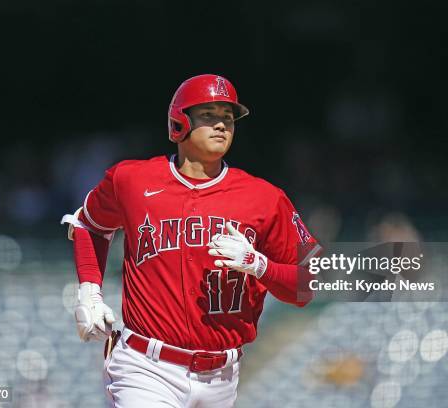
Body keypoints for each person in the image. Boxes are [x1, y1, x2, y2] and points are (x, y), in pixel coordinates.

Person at [61, 74, 321, 407]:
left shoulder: (265, 198)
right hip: (146, 366)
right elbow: (89, 224)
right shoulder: (132, 180)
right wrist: (89, 292)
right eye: (209, 115)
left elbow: (310, 281)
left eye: (228, 117)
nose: (221, 125)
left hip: (222, 377)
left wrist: (260, 265)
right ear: (179, 124)